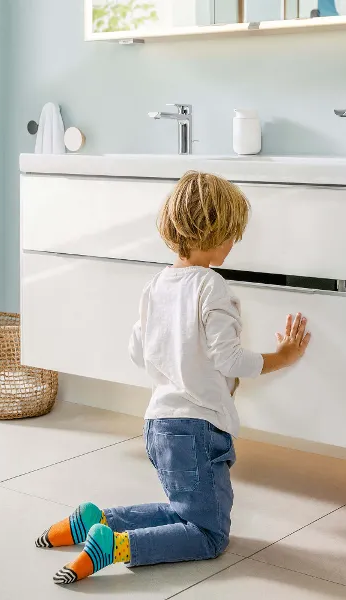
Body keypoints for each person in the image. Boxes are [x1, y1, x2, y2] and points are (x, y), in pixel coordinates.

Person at [35, 171, 311, 585]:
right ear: (215, 233)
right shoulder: (212, 287)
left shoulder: (156, 284)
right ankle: (118, 547)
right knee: (208, 533)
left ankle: (94, 521)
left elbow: (137, 350)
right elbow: (230, 359)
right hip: (196, 428)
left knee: (186, 509)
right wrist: (282, 357)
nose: (234, 243)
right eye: (232, 234)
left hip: (158, 423)